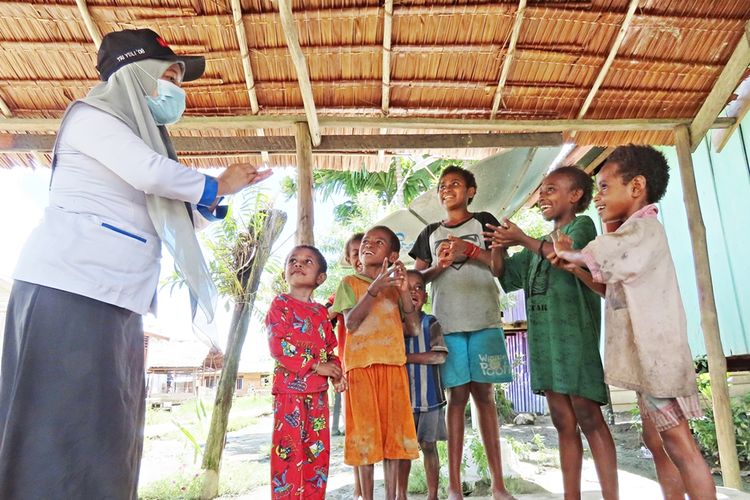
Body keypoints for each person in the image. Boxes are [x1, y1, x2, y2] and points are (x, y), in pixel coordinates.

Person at [0, 29, 271, 499]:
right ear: (134, 74)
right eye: (168, 75)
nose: (176, 90)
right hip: (71, 291)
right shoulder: (91, 117)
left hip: (114, 297)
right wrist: (216, 185)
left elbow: (167, 217)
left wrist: (216, 199)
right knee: (58, 426)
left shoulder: (135, 138)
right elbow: (151, 174)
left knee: (107, 426)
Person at [551, 145, 716, 500]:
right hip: (649, 360)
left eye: (605, 187)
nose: (598, 198)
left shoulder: (643, 231)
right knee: (657, 440)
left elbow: (603, 252)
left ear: (637, 187)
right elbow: (608, 284)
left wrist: (572, 253)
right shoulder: (632, 233)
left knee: (678, 443)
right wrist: (578, 266)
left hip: (658, 357)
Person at [486, 166, 619, 499]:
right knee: (562, 420)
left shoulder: (582, 225)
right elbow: (505, 275)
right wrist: (499, 244)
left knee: (589, 416)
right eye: (541, 191)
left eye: (551, 189)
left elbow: (568, 254)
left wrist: (522, 238)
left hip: (575, 340)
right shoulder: (539, 243)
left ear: (575, 195)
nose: (542, 197)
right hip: (545, 344)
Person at [409, 165, 514, 500]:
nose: (446, 190)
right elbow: (417, 281)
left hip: (484, 320)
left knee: (485, 399)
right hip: (448, 327)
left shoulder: (484, 221)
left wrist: (469, 251)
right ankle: (453, 488)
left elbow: (498, 267)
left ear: (471, 191)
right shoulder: (429, 233)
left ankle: (498, 485)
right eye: (442, 186)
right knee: (456, 401)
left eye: (455, 184)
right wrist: (438, 265)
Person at [331, 225, 421, 500]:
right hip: (360, 369)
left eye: (378, 242)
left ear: (393, 256)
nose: (369, 244)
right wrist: (373, 290)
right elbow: (351, 322)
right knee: (365, 441)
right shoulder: (349, 284)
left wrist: (404, 290)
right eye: (367, 241)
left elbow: (414, 328)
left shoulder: (395, 289)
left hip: (393, 367)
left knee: (394, 441)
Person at [266, 245, 346, 500]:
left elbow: (330, 350)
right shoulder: (280, 304)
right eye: (293, 260)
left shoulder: (322, 313)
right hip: (290, 393)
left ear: (320, 278)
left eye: (307, 261)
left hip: (319, 395)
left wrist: (336, 373)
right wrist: (315, 365)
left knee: (317, 454)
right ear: (285, 272)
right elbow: (278, 346)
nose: (298, 264)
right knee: (288, 454)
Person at [397, 270, 448, 500]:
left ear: (425, 297)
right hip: (401, 401)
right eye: (407, 287)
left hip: (430, 399)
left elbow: (439, 356)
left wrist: (405, 357)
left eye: (418, 287)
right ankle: (400, 495)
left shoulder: (431, 322)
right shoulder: (392, 324)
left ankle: (433, 495)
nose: (413, 291)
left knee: (429, 446)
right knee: (403, 451)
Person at [324, 232, 364, 499]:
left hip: (382, 364)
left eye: (365, 250)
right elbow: (322, 318)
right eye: (354, 254)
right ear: (349, 260)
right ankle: (361, 487)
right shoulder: (343, 287)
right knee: (357, 428)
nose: (360, 257)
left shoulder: (388, 285)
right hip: (352, 367)